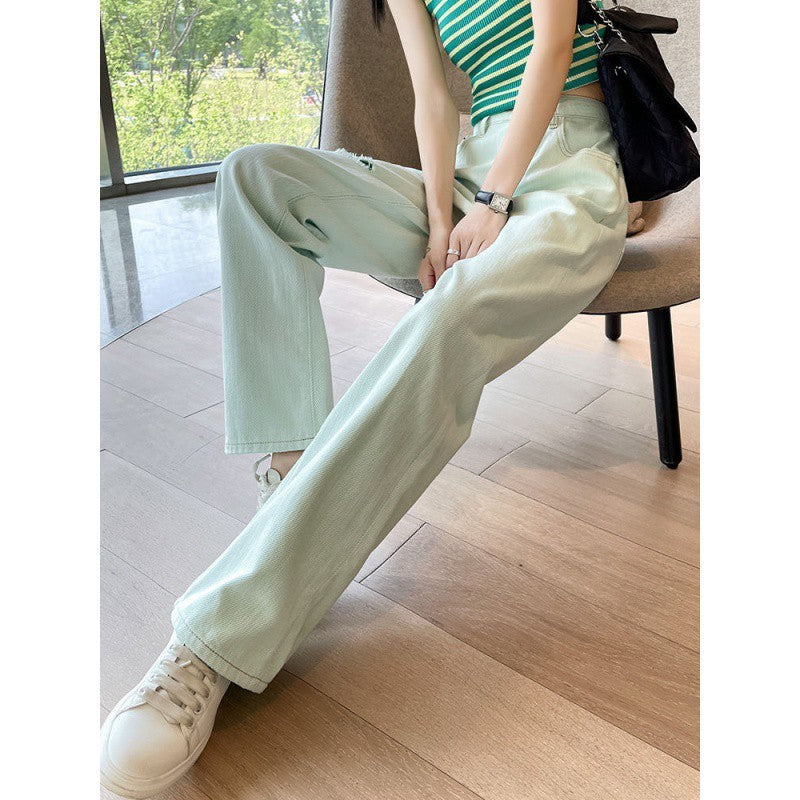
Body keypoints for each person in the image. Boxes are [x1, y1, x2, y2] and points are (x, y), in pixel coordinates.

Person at [100, 1, 628, 796]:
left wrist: (493, 205)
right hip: (471, 171)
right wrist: (444, 219)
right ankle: (292, 497)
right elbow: (433, 98)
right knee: (257, 177)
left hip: (565, 166)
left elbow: (552, 48)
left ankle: (215, 640)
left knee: (448, 318)